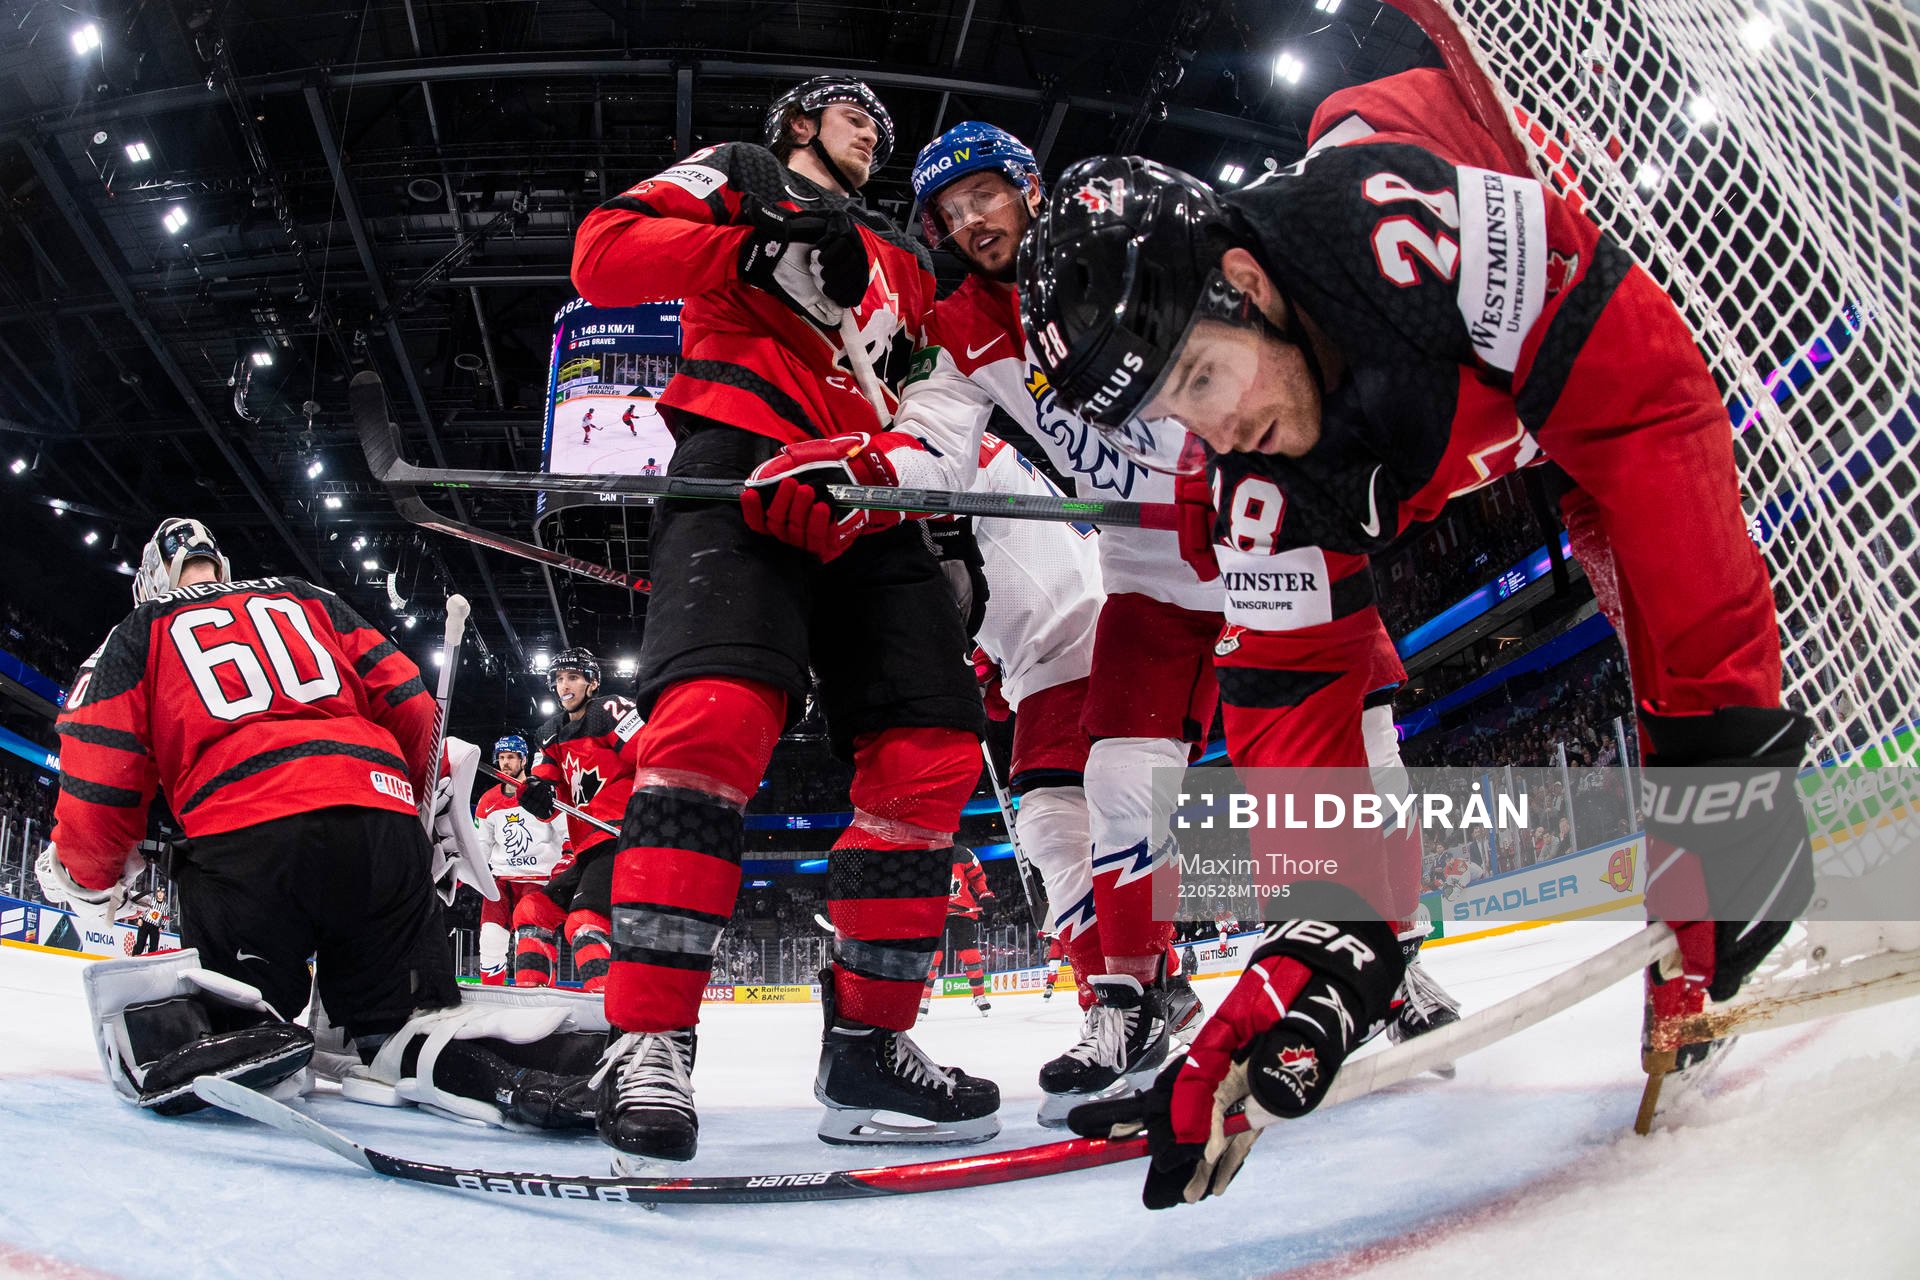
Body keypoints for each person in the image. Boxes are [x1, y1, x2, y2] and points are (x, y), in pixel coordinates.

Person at [1023, 67, 1811, 1207]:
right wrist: (1324, 941)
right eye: (1174, 410)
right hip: (1447, 401)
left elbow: (1650, 409)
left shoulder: (1406, 233)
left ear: (1246, 282)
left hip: (1532, 219)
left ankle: (1711, 866)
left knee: (1625, 541)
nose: (1217, 424)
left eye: (1201, 373)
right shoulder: (1254, 487)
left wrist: (1722, 749)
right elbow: (1298, 714)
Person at [570, 76, 996, 1165]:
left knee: (935, 751)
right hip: (741, 465)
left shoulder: (904, 256)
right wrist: (754, 241)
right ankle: (650, 1038)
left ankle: (869, 1045)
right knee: (710, 724)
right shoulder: (740, 172)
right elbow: (604, 254)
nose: (874, 131)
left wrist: (899, 485)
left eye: (880, 127)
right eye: (854, 114)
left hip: (867, 496)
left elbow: (924, 398)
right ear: (801, 123)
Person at [37, 518, 598, 1128]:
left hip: (248, 841)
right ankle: (448, 1051)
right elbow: (409, 697)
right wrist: (412, 803)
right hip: (377, 825)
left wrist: (85, 875)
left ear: (151, 578)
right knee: (404, 1018)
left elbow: (101, 762)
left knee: (241, 1003)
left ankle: (251, 1029)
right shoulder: (302, 596)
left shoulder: (136, 631)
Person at [509, 650, 640, 993]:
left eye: (572, 677)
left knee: (585, 921)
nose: (563, 685)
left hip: (621, 837)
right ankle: (530, 994)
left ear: (592, 683)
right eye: (559, 679)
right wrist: (535, 793)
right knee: (532, 911)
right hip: (587, 847)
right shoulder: (550, 734)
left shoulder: (610, 711)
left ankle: (605, 999)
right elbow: (547, 796)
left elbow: (649, 754)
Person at [474, 733, 570, 985]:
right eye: (502, 757)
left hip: (537, 879)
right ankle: (491, 988)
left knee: (531, 935)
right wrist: (471, 871)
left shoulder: (542, 793)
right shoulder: (488, 801)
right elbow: (481, 845)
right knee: (490, 935)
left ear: (523, 760)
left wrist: (568, 856)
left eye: (512, 758)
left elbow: (566, 831)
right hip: (501, 880)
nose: (506, 763)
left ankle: (537, 986)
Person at [922, 846, 998, 1015]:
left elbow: (978, 879)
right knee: (934, 956)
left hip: (962, 911)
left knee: (971, 955)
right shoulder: (921, 853)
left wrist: (985, 894)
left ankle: (979, 996)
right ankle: (924, 998)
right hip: (934, 912)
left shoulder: (962, 853)